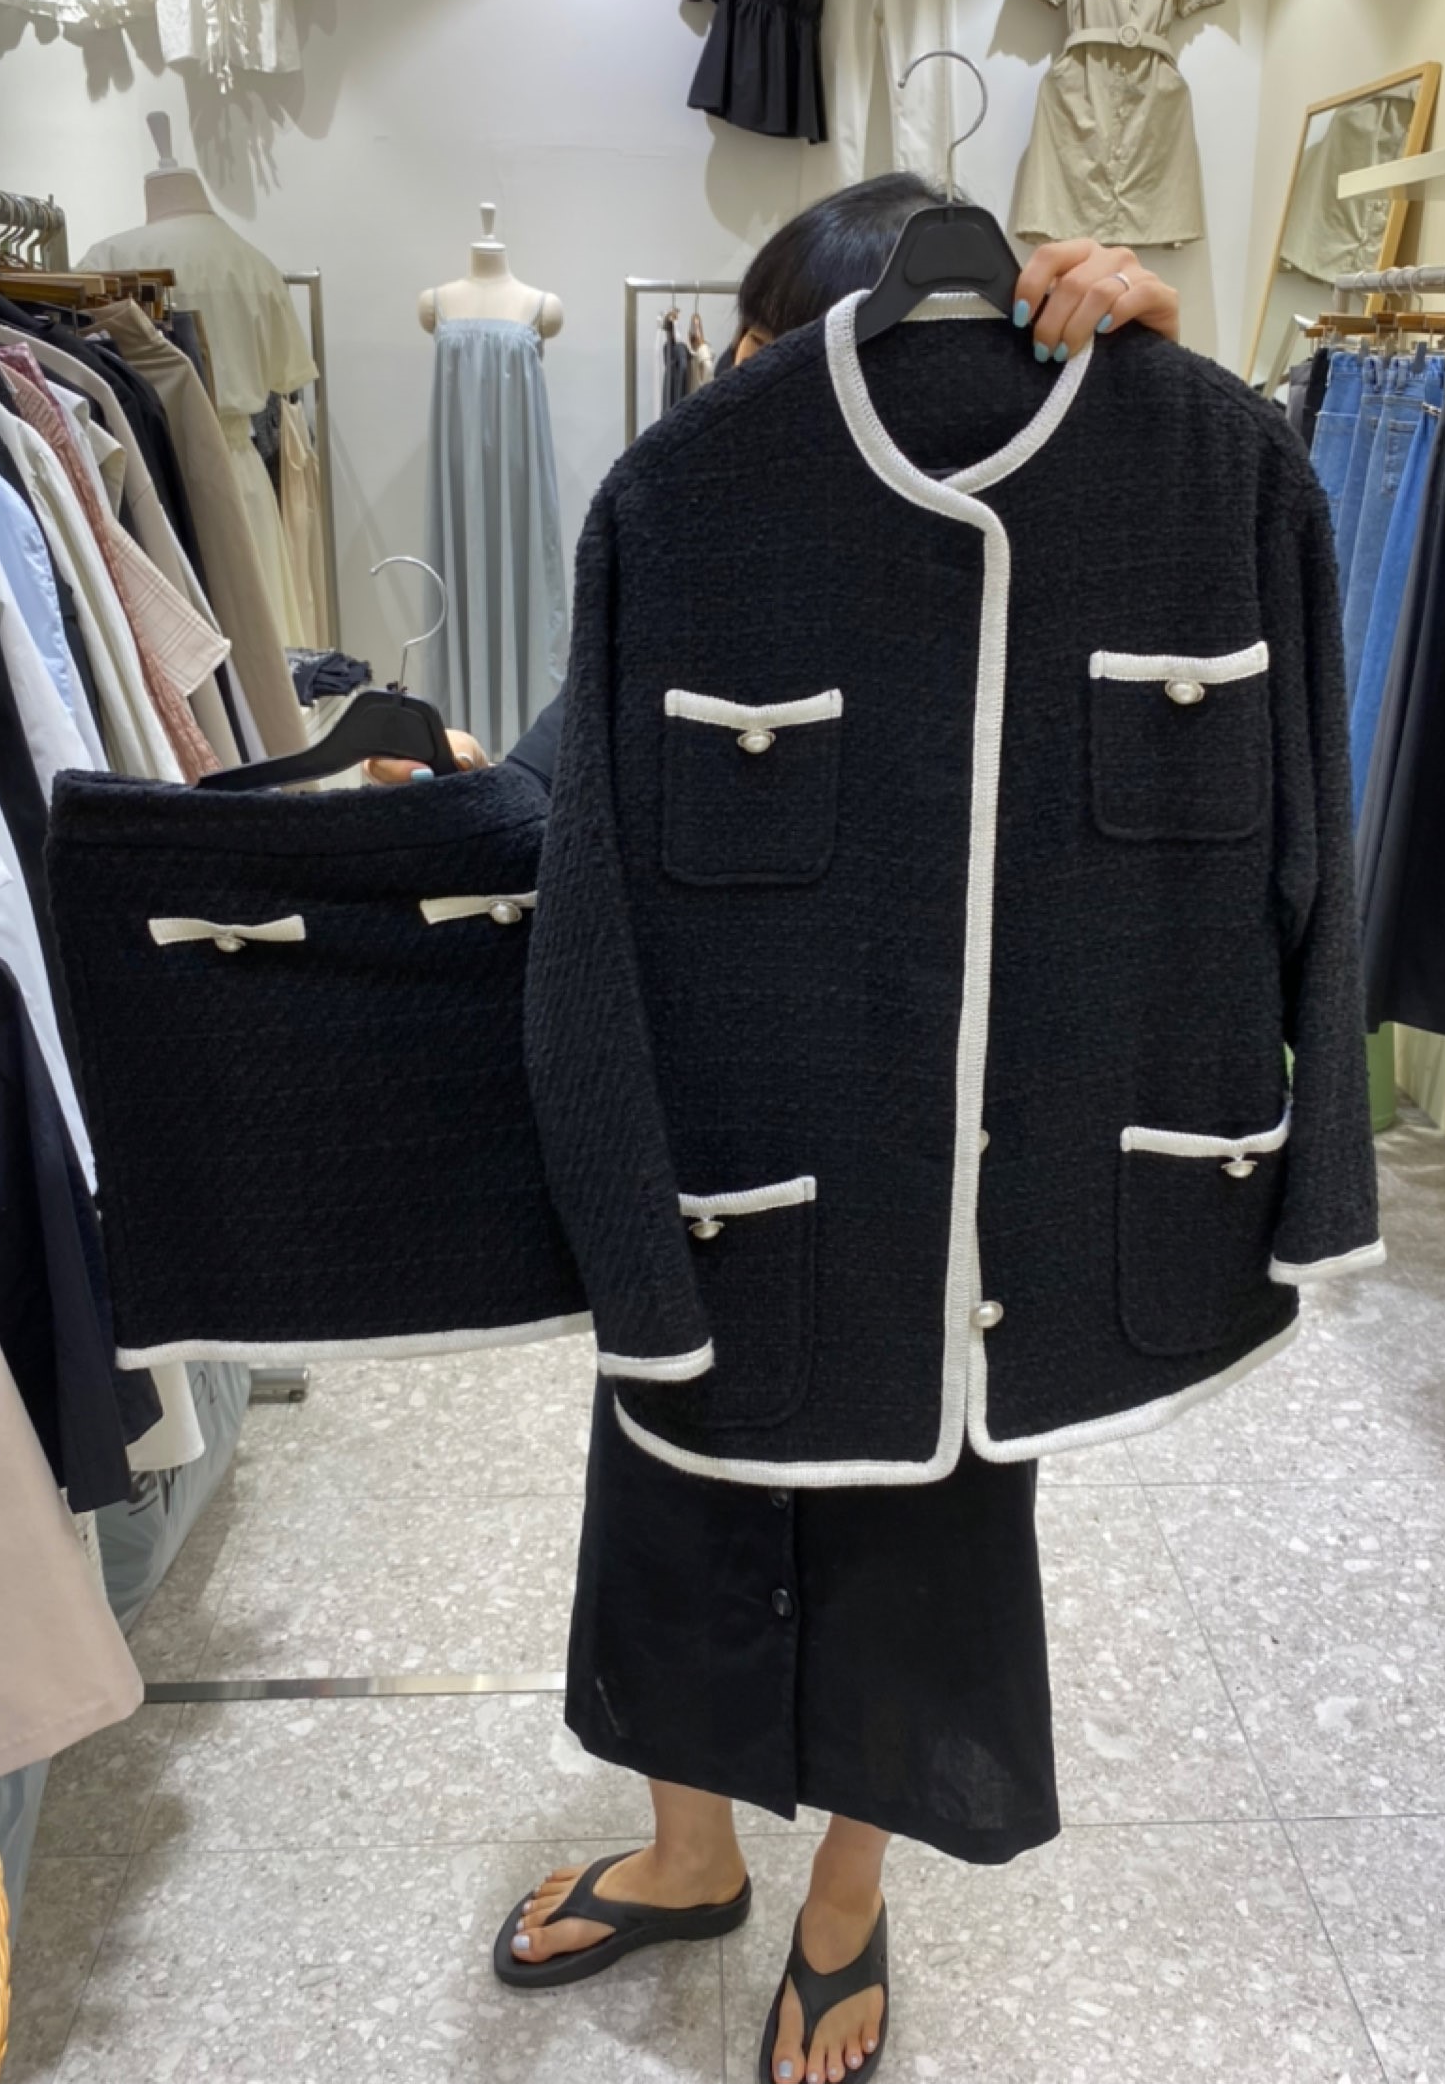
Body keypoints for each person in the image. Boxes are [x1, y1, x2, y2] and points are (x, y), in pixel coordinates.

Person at [372, 179, 1180, 2085]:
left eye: (785, 347)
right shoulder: (705, 499)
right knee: (676, 1483)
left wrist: (1140, 407)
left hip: (950, 1164)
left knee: (924, 1537)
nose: (748, 386)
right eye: (743, 350)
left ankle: (844, 1900)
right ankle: (692, 1854)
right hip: (714, 1122)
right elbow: (597, 741)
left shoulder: (1023, 511)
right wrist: (474, 781)